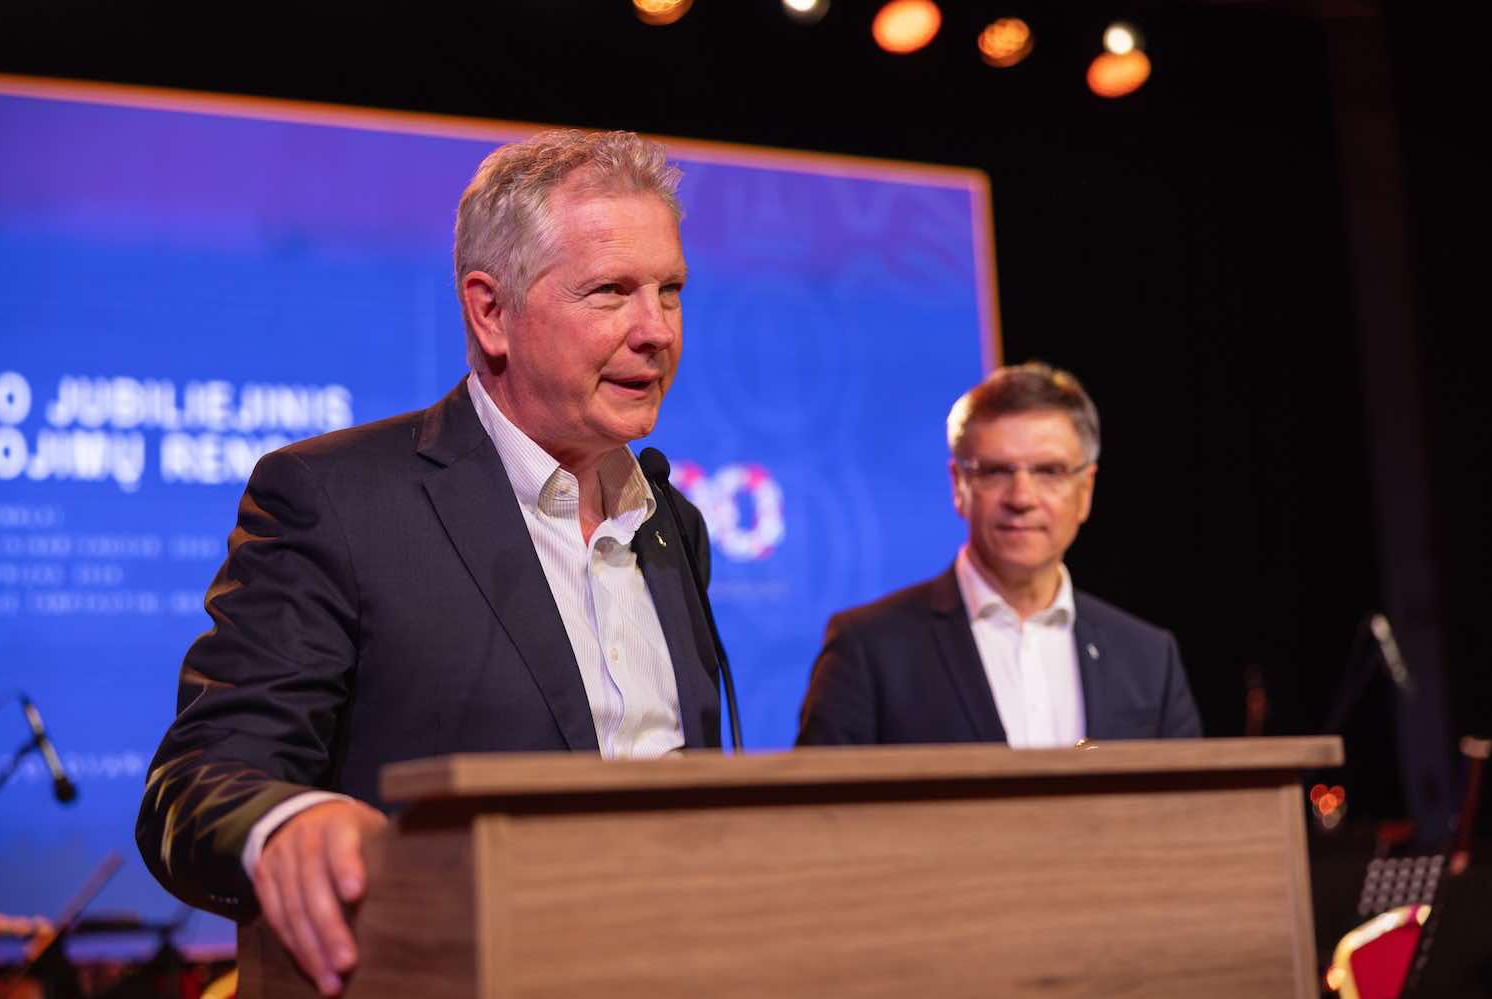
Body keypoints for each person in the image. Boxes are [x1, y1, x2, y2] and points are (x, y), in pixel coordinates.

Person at [136, 130, 721, 996]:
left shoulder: (672, 523)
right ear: (491, 312)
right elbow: (195, 783)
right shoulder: (337, 499)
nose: (656, 331)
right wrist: (286, 823)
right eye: (611, 292)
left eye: (669, 291)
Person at [796, 361, 1200, 748]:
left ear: (1085, 491)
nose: (1022, 498)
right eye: (996, 471)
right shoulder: (868, 649)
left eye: (1049, 472)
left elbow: (1190, 796)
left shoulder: (1149, 660)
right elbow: (823, 797)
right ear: (959, 485)